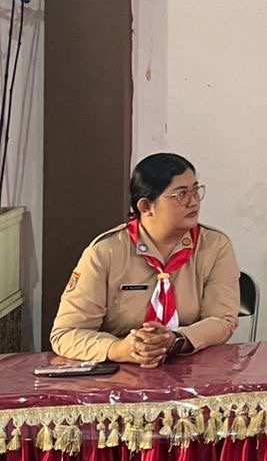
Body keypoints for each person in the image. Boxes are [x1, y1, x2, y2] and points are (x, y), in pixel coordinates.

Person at [49, 153, 239, 364]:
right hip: (121, 371)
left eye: (195, 190)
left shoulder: (214, 246)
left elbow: (222, 319)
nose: (193, 201)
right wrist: (118, 349)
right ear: (145, 206)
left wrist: (175, 340)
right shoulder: (106, 252)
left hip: (192, 366)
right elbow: (66, 333)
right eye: (181, 194)